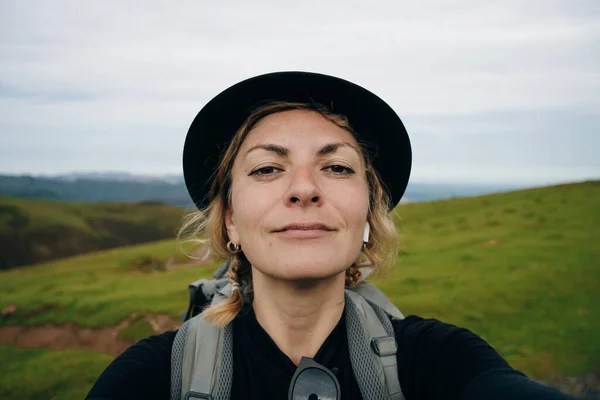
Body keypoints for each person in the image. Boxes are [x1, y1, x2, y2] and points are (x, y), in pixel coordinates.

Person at [86, 72, 574, 400]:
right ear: (230, 219)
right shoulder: (153, 376)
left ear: (367, 215)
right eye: (267, 168)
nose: (303, 189)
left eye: (337, 167)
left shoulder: (440, 360)